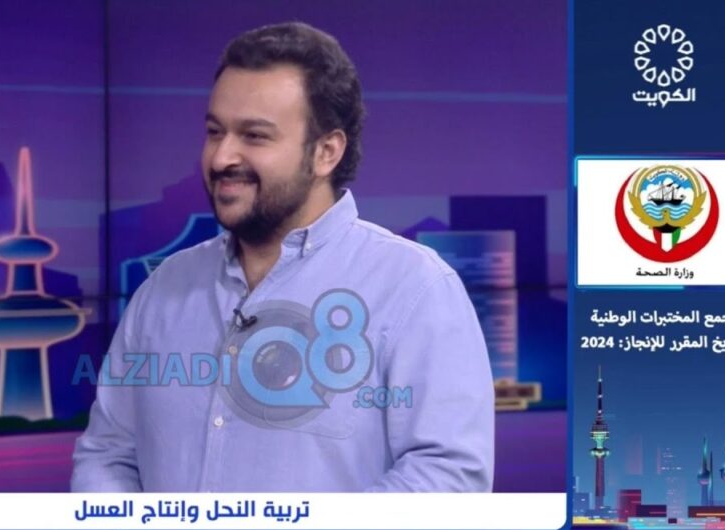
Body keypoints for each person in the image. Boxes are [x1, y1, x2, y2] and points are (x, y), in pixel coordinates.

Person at [72, 22, 493, 492]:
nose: (221, 158)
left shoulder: (414, 288)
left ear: (326, 152)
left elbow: (447, 477)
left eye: (254, 136)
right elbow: (107, 454)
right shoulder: (164, 288)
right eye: (214, 132)